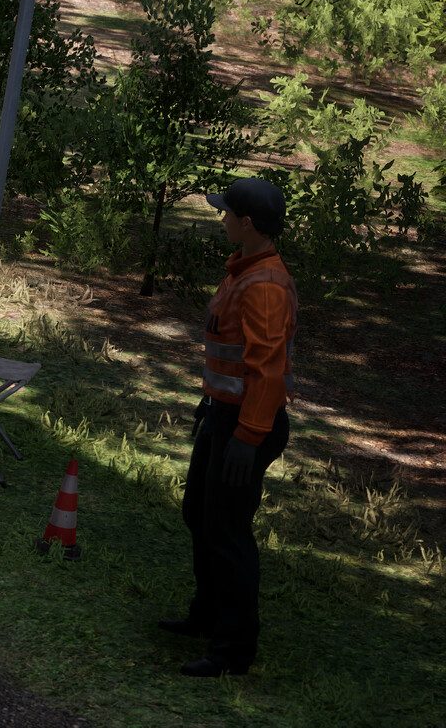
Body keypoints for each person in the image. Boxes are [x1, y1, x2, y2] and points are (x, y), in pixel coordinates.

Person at [161, 177, 296, 677]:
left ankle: (232, 651)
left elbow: (267, 369)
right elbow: (233, 358)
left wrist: (248, 436)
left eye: (226, 212)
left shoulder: (263, 285)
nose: (221, 218)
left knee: (228, 533)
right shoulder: (243, 269)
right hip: (223, 415)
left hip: (247, 427)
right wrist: (211, 402)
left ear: (249, 224)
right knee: (199, 512)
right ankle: (208, 616)